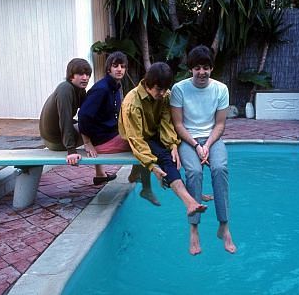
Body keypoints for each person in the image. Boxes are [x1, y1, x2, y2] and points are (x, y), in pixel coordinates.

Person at [170, 45, 236, 255]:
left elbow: (220, 125)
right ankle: (194, 229)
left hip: (212, 139)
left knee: (220, 169)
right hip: (188, 140)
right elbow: (178, 125)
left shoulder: (221, 89)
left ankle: (224, 227)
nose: (202, 72)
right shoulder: (179, 89)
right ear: (191, 69)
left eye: (206, 68)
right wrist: (197, 146)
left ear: (212, 69)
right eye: (197, 68)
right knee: (194, 172)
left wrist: (207, 145)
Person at [118, 62, 207, 217]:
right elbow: (136, 139)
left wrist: (172, 144)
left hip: (155, 133)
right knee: (165, 158)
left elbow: (167, 121)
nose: (163, 93)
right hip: (138, 137)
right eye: (159, 89)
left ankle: (192, 193)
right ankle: (189, 202)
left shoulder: (165, 94)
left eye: (165, 89)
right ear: (147, 83)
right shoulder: (132, 103)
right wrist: (152, 165)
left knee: (181, 149)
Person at [78, 52, 158, 204]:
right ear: (108, 69)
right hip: (102, 141)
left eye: (122, 66)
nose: (119, 69)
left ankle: (135, 174)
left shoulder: (115, 86)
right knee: (144, 142)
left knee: (141, 134)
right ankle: (145, 187)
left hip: (111, 134)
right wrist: (88, 143)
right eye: (115, 66)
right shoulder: (101, 89)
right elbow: (83, 115)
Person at [39, 58, 114, 183]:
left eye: (87, 74)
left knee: (92, 123)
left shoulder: (79, 90)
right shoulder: (65, 89)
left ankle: (100, 174)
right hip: (55, 140)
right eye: (80, 74)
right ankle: (100, 174)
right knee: (93, 128)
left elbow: (89, 113)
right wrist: (71, 151)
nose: (85, 78)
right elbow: (65, 120)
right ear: (71, 76)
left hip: (56, 135)